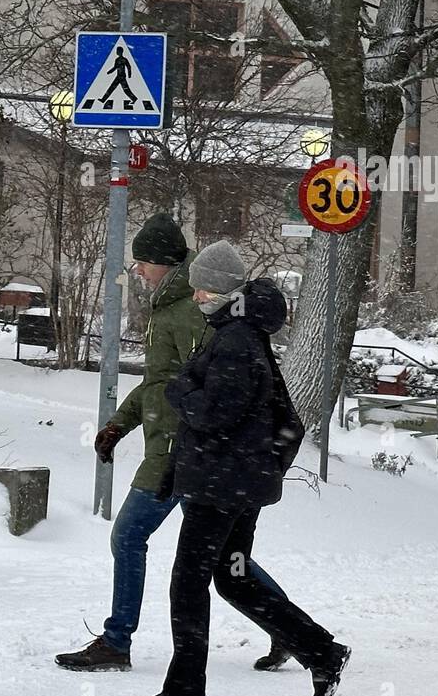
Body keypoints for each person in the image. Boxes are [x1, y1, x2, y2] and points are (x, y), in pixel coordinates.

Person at [56, 219, 290, 673]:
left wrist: (182, 438)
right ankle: (287, 629)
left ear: (164, 263)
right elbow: (159, 382)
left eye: (143, 262)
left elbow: (201, 388)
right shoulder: (170, 307)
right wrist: (119, 424)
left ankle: (116, 642)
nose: (138, 271)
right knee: (226, 560)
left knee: (128, 536)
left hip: (178, 451)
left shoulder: (190, 311)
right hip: (176, 447)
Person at [128, 240, 349, 696]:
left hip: (220, 484)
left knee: (188, 585)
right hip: (238, 481)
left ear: (221, 289)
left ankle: (184, 694)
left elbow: (215, 412)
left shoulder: (235, 339)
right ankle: (321, 651)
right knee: (233, 577)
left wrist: (179, 389)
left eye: (203, 289)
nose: (198, 297)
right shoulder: (243, 331)